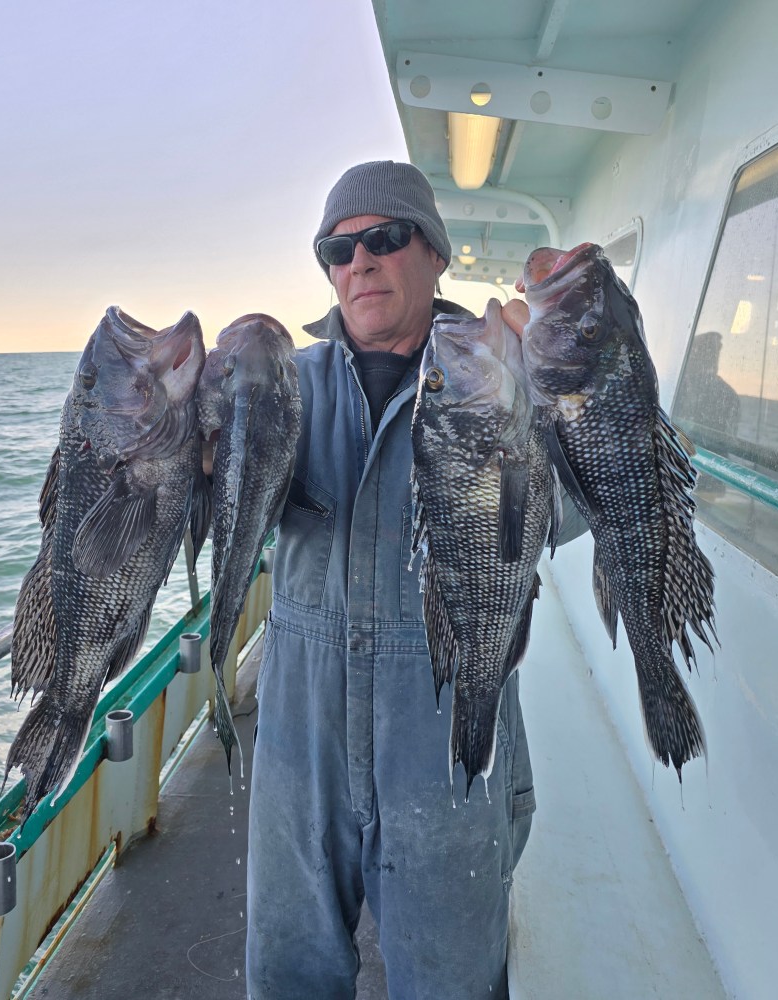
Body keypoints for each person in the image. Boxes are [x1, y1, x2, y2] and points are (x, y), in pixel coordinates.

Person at [245, 160, 581, 999]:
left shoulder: (503, 371)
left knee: (451, 980)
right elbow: (216, 500)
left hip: (444, 744)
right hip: (299, 752)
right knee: (288, 974)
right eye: (337, 248)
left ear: (433, 253)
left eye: (383, 239)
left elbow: (580, 511)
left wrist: (564, 397)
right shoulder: (286, 385)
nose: (358, 262)